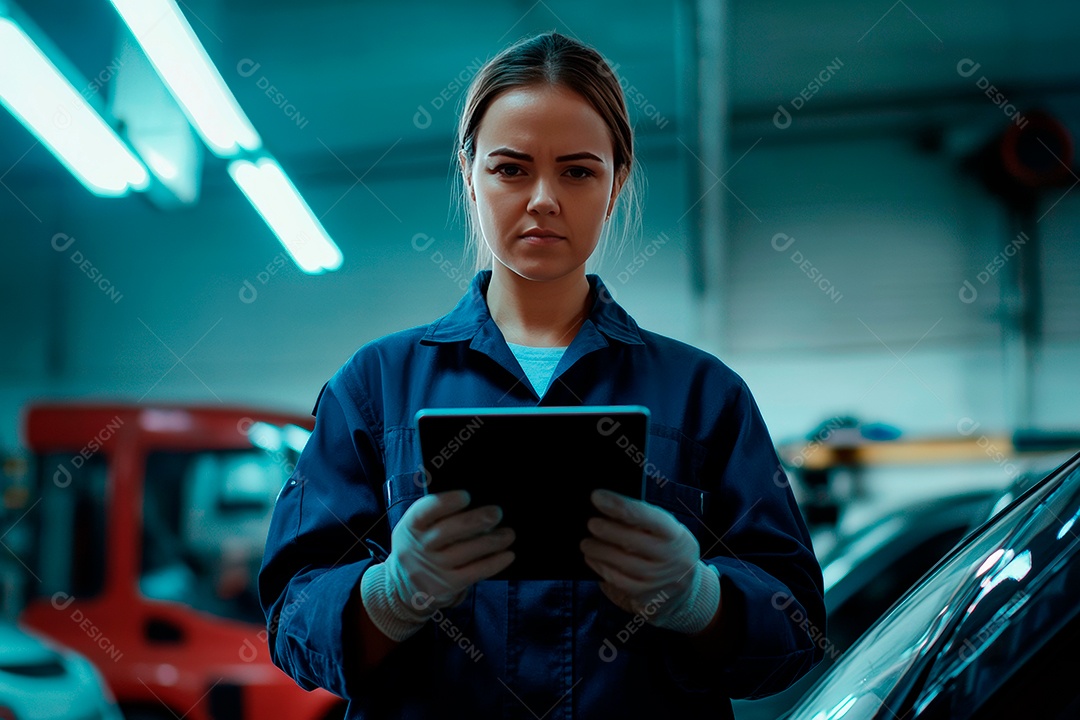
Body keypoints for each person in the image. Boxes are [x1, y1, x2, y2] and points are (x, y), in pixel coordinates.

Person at [259, 30, 825, 720]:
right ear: (469, 173)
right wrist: (389, 593)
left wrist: (701, 599)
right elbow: (292, 618)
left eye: (579, 171)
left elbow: (796, 628)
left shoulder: (706, 396)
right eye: (511, 168)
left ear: (617, 183)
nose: (544, 198)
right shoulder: (373, 387)